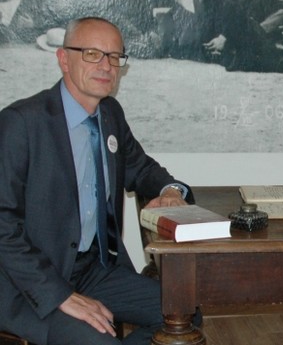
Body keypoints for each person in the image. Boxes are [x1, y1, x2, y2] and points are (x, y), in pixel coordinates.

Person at [0, 17, 193, 345]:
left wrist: (172, 190)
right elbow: (3, 228)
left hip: (94, 270)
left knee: (184, 311)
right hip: (29, 284)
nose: (106, 66)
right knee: (99, 339)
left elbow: (142, 169)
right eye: (92, 54)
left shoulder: (110, 114)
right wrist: (61, 295)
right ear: (64, 59)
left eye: (115, 56)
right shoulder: (20, 123)